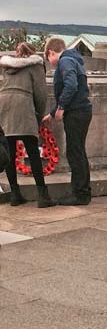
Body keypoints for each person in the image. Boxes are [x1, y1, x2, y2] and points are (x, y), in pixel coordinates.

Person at [0, 43, 55, 207]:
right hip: (23, 107)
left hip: (4, 106)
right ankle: (43, 196)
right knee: (32, 150)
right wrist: (38, 115)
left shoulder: (6, 65)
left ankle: (15, 194)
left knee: (9, 151)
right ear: (33, 53)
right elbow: (41, 93)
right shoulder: (36, 65)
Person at [43, 38, 92, 206]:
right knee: (79, 151)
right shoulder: (73, 60)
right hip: (82, 111)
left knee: (75, 152)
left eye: (48, 59)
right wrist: (52, 114)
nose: (51, 64)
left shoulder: (65, 62)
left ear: (51, 52)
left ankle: (80, 194)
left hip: (76, 112)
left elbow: (70, 85)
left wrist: (61, 107)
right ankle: (84, 191)